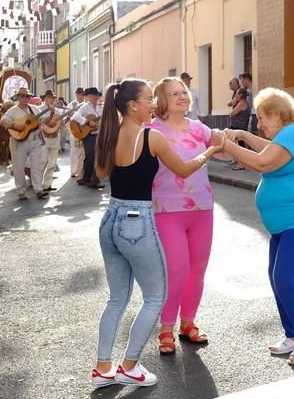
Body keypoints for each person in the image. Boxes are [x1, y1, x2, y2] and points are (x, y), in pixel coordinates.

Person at [90, 79, 224, 388]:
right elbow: (185, 169)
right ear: (133, 105)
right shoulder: (152, 136)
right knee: (154, 297)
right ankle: (130, 366)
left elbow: (99, 173)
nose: (154, 104)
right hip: (138, 220)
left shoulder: (109, 134)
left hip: (110, 218)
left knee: (116, 300)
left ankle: (102, 368)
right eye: (149, 99)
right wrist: (211, 151)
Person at [222, 87, 294, 365]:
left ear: (277, 115)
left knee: (285, 279)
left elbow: (264, 162)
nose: (259, 124)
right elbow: (267, 150)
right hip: (288, 222)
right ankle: (293, 334)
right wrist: (244, 137)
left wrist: (227, 145)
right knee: (276, 276)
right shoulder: (289, 132)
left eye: (261, 118)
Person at [147, 77, 217, 355]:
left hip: (202, 208)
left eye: (183, 92)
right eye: (174, 94)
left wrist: (260, 152)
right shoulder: (151, 130)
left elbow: (223, 148)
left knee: (197, 271)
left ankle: (188, 323)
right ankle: (166, 328)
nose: (181, 97)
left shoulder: (199, 128)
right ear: (162, 100)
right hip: (167, 210)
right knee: (176, 272)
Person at [0, 88, 49, 201]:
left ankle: (38, 190)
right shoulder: (13, 110)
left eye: (27, 97)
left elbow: (43, 121)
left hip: (35, 141)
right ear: (18, 97)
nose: (25, 99)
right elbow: (2, 121)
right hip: (19, 141)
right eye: (23, 96)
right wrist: (15, 125)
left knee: (36, 166)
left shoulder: (35, 109)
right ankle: (21, 191)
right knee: (18, 167)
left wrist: (51, 114)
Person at [74, 87, 104, 189]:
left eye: (97, 95)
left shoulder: (101, 108)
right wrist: (87, 122)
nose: (96, 97)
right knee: (89, 157)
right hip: (88, 135)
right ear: (89, 97)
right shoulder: (85, 107)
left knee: (96, 157)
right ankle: (88, 178)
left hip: (98, 135)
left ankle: (94, 180)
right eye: (93, 95)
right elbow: (75, 117)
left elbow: (103, 120)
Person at [39, 90, 61, 191]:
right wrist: (52, 114)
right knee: (43, 162)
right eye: (50, 97)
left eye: (53, 98)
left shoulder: (57, 110)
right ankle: (38, 185)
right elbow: (43, 122)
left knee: (52, 163)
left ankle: (47, 185)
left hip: (55, 137)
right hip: (43, 138)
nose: (52, 100)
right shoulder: (39, 109)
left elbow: (59, 122)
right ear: (45, 98)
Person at [228, 88, 251, 171]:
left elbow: (233, 113)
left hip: (240, 127)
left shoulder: (242, 103)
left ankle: (241, 164)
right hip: (241, 127)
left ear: (241, 95)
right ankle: (241, 163)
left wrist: (234, 104)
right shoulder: (243, 102)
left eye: (237, 94)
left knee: (240, 147)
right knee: (241, 146)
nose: (235, 96)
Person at [69, 88, 86, 179]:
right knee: (74, 150)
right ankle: (73, 171)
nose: (80, 96)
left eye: (82, 94)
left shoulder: (86, 104)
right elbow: (67, 117)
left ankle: (81, 170)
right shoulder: (72, 104)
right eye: (79, 94)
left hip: (84, 130)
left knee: (82, 151)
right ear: (76, 95)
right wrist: (71, 114)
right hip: (74, 130)